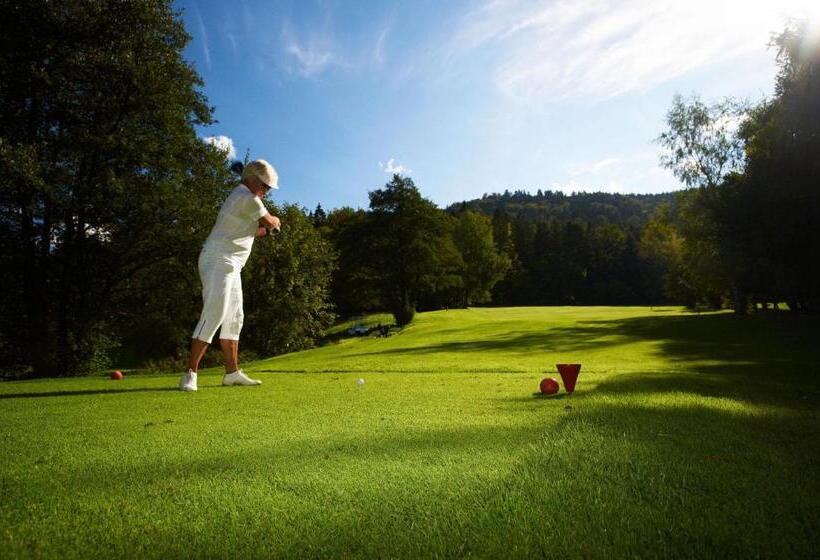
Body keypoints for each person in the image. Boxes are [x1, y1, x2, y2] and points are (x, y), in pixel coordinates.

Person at [179, 160, 281, 392]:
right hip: (218, 259)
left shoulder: (245, 199)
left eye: (267, 188)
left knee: (235, 316)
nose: (265, 191)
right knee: (215, 312)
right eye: (264, 186)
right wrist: (275, 223)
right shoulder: (246, 197)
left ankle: (232, 373)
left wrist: (267, 230)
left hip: (232, 265)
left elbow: (252, 231)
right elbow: (269, 221)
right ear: (252, 180)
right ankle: (190, 373)